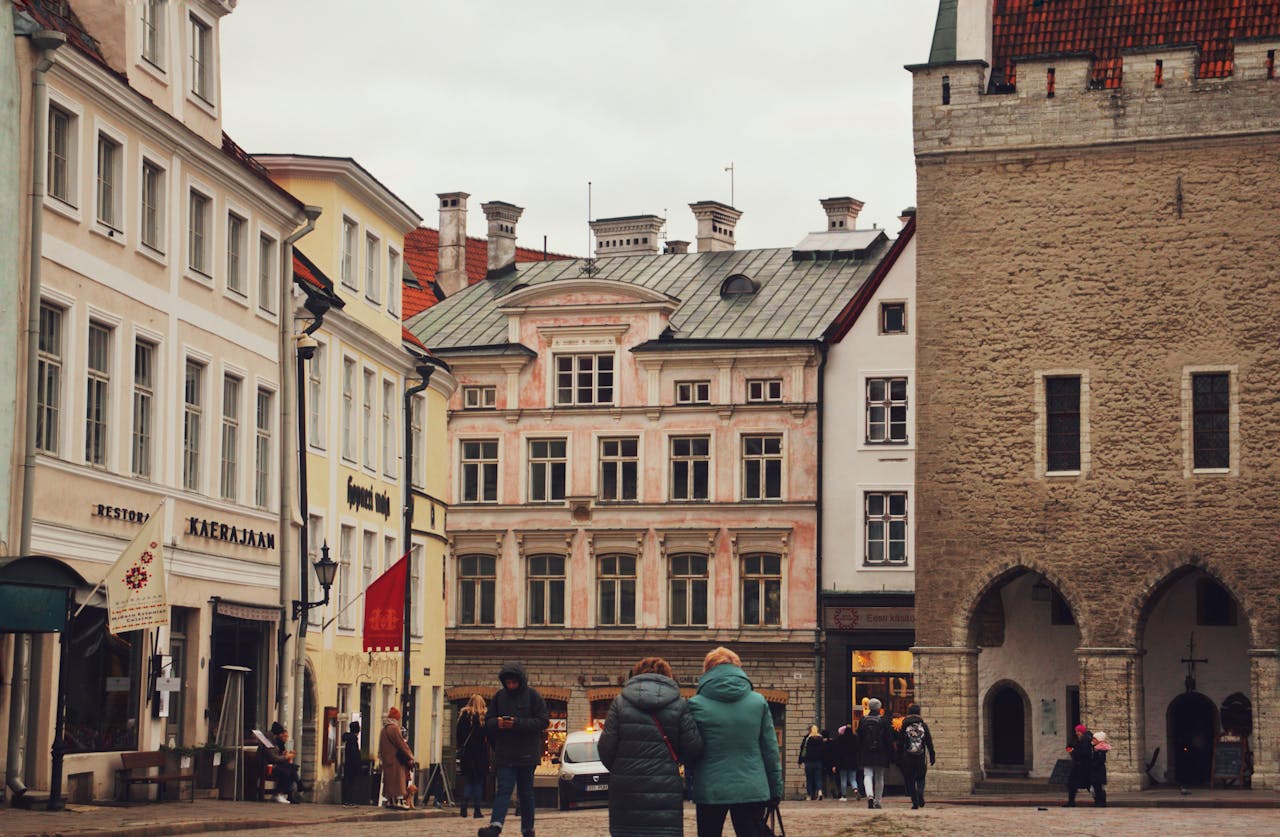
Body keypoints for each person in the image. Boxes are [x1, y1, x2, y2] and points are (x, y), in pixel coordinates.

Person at [599, 656, 703, 837]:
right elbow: (693, 748)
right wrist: (674, 762)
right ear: (668, 676)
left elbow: (605, 749)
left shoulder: (620, 703)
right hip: (665, 788)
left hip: (626, 788)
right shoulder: (679, 704)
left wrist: (622, 768)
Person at [687, 646, 783, 837]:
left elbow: (691, 749)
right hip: (751, 787)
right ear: (738, 669)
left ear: (707, 671)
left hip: (710, 787)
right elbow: (770, 750)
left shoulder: (695, 704)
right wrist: (775, 789)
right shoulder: (758, 702)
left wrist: (691, 780)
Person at [478, 662, 549, 837]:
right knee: (503, 790)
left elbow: (542, 721)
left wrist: (517, 723)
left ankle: (528, 829)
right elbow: (488, 722)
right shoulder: (499, 697)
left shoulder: (533, 696)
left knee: (526, 793)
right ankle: (495, 826)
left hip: (527, 754)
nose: (511, 686)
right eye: (508, 683)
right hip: (505, 753)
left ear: (520, 681)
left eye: (513, 683)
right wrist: (498, 723)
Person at [457, 693, 490, 820]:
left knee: (469, 781)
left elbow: (459, 735)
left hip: (467, 754)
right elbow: (488, 735)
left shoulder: (463, 716)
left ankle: (464, 807)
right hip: (480, 753)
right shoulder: (483, 717)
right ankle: (477, 810)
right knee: (478, 781)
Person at [897, 704, 936, 810]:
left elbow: (900, 742)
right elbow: (929, 741)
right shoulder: (923, 725)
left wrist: (899, 756)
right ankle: (920, 793)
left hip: (907, 756)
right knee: (921, 777)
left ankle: (914, 801)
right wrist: (932, 755)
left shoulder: (904, 725)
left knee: (910, 779)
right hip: (920, 756)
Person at [857, 698, 893, 809]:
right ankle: (878, 801)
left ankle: (869, 795)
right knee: (879, 777)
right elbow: (889, 738)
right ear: (879, 708)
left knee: (867, 775)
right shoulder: (884, 720)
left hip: (866, 751)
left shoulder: (863, 720)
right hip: (881, 751)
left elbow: (859, 736)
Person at [379, 706, 416, 809]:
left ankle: (390, 801)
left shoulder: (383, 730)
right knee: (398, 781)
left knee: (389, 782)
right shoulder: (394, 729)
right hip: (395, 759)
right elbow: (401, 744)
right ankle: (398, 801)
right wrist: (410, 755)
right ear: (396, 718)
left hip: (386, 759)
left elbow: (381, 746)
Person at [259, 721, 300, 803]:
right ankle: (278, 793)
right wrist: (285, 757)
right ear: (276, 733)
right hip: (268, 765)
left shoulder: (273, 739)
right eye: (281, 734)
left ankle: (289, 794)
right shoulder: (267, 740)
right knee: (286, 772)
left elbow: (275, 753)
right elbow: (273, 757)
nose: (281, 736)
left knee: (292, 769)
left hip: (273, 763)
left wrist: (283, 755)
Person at [1065, 724, 1093, 807]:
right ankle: (1071, 802)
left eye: (1078, 731)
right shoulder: (1078, 739)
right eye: (1076, 731)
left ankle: (1099, 800)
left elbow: (1084, 753)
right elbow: (1070, 746)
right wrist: (1070, 749)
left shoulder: (1086, 740)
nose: (1077, 733)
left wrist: (1073, 752)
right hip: (1077, 765)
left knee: (1088, 784)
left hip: (1083, 766)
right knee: (1072, 784)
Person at [834, 724, 860, 801]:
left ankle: (844, 795)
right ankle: (855, 789)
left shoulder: (840, 739)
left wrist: (836, 763)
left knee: (843, 779)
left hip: (843, 762)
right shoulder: (855, 738)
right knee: (853, 779)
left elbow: (838, 752)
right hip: (853, 762)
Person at [799, 725, 825, 800]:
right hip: (818, 761)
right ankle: (820, 791)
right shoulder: (821, 739)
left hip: (809, 761)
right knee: (818, 778)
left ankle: (809, 795)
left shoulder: (807, 739)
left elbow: (803, 750)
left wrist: (800, 760)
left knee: (809, 779)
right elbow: (823, 751)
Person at [341, 720, 362, 807]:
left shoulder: (349, 739)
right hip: (352, 766)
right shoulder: (353, 740)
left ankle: (346, 800)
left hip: (347, 764)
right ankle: (349, 801)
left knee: (348, 782)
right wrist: (358, 766)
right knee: (351, 784)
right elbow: (354, 754)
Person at [1090, 731, 1110, 807]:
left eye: (1094, 739)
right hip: (1095, 771)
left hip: (1099, 771)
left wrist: (1093, 764)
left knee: (1099, 787)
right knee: (1095, 787)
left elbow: (1100, 761)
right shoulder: (1095, 748)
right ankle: (1098, 801)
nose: (1093, 740)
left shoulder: (1100, 750)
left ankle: (1101, 802)